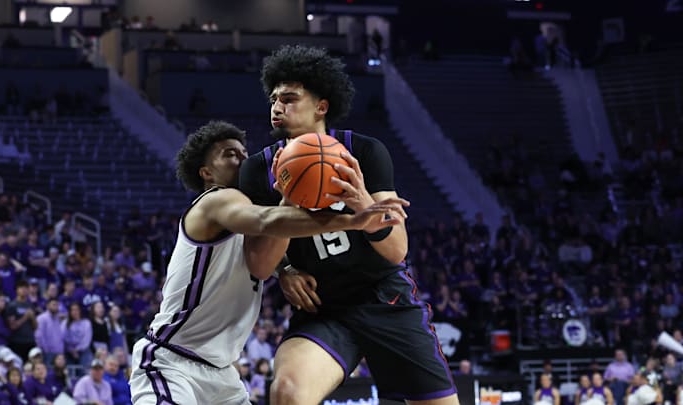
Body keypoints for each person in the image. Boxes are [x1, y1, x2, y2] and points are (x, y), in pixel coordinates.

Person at [238, 44, 458, 404]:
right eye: (274, 99)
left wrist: (364, 204)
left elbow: (396, 250)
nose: (277, 107)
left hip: (384, 298)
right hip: (323, 309)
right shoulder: (256, 171)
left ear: (322, 106)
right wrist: (287, 253)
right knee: (287, 392)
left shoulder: (366, 152)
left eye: (290, 98)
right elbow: (260, 266)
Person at [128, 120, 407, 404]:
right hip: (171, 362)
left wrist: (284, 268)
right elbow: (267, 221)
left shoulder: (243, 211)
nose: (242, 159)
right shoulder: (216, 201)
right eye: (229, 154)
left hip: (222, 375)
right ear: (206, 172)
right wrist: (351, 220)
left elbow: (265, 239)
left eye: (243, 152)